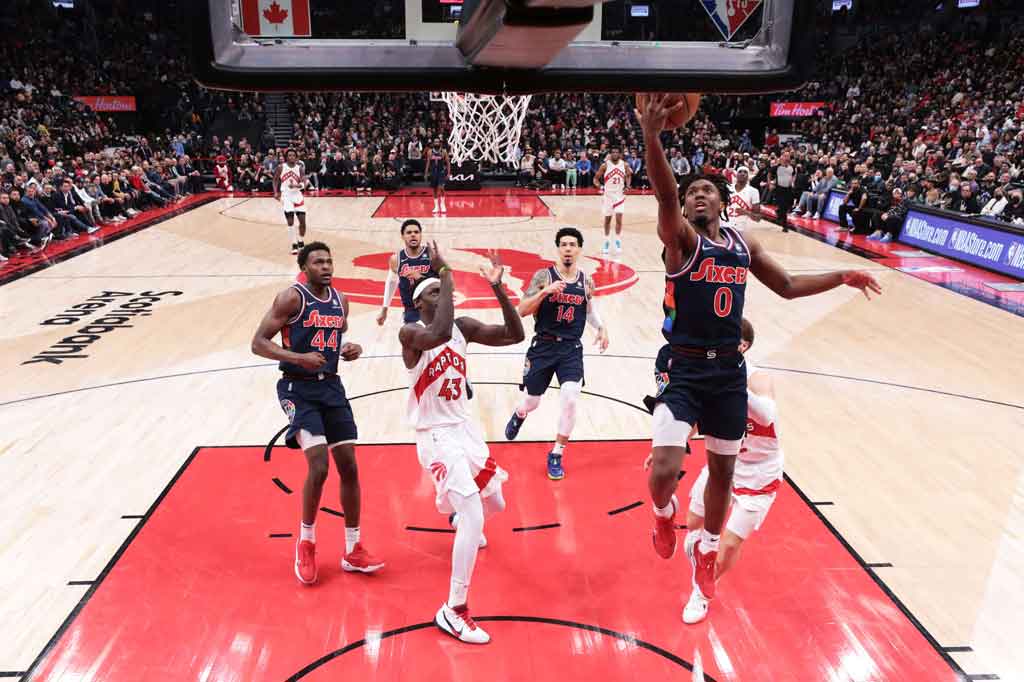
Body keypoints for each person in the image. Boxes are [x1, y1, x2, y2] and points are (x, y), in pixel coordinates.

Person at [636, 93, 881, 620]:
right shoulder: (679, 240)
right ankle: (662, 512)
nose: (698, 197)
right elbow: (661, 194)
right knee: (665, 466)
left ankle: (705, 551)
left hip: (727, 368)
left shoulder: (742, 246)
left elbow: (788, 286)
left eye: (707, 191)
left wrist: (842, 275)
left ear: (723, 202)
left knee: (724, 473)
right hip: (683, 364)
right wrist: (653, 136)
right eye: (691, 191)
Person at [400, 243, 524, 644]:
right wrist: (446, 270)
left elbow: (514, 334)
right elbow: (437, 333)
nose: (442, 294)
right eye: (433, 292)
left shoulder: (463, 327)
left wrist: (498, 288)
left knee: (497, 503)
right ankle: (453, 609)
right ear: (419, 303)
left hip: (464, 431)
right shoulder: (413, 333)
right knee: (475, 516)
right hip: (435, 436)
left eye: (443, 289)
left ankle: (448, 506)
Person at [251, 242, 384, 585]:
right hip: (298, 388)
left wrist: (349, 349)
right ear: (305, 267)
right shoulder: (290, 298)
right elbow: (258, 343)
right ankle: (306, 542)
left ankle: (353, 549)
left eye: (329, 261)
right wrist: (298, 357)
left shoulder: (342, 300)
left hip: (332, 387)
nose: (326, 266)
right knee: (320, 466)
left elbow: (334, 338)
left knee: (350, 466)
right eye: (318, 262)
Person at [644, 318, 781, 624]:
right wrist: (667, 447)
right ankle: (695, 553)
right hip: (726, 464)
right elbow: (692, 418)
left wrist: (732, 382)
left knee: (729, 542)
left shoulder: (758, 379)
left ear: (741, 346)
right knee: (693, 523)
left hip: (759, 474)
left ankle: (702, 593)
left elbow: (768, 414)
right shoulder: (707, 377)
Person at [504, 227, 609, 480]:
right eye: (563, 244)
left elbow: (590, 310)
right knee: (532, 401)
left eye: (573, 244)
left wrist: (602, 328)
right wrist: (544, 293)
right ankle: (520, 414)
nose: (568, 249)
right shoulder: (544, 276)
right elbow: (521, 310)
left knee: (570, 397)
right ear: (558, 249)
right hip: (543, 346)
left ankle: (557, 453)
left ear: (580, 249)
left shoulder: (586, 280)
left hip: (571, 348)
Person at [377, 219, 438, 326]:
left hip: (433, 310)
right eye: (409, 233)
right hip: (411, 312)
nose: (413, 235)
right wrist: (384, 309)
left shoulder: (432, 254)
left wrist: (420, 277)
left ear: (421, 235)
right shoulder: (396, 259)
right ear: (403, 236)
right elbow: (391, 282)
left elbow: (444, 283)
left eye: (416, 232)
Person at [593, 147, 633, 255]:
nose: (615, 154)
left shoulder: (624, 164)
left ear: (620, 154)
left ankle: (617, 241)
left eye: (617, 152)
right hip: (608, 196)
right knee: (608, 220)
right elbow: (595, 179)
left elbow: (629, 175)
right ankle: (606, 241)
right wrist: (600, 186)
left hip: (619, 195)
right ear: (610, 154)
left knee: (619, 219)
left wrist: (628, 186)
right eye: (613, 152)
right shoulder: (605, 165)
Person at [274, 149, 308, 255]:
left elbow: (304, 182)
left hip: (297, 195)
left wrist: (297, 186)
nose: (292, 157)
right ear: (286, 157)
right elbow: (275, 180)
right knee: (290, 221)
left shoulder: (300, 168)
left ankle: (301, 241)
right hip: (286, 196)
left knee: (302, 222)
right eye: (289, 155)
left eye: (294, 155)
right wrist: (276, 192)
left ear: (296, 157)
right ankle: (294, 244)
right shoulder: (281, 167)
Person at [425, 139, 451, 215]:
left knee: (441, 187)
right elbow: (428, 163)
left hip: (441, 172)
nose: (436, 143)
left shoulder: (443, 151)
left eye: (437, 142)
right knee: (435, 190)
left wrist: (448, 173)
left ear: (440, 143)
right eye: (435, 142)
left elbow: (448, 163)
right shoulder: (430, 151)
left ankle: (442, 204)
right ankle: (436, 206)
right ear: (433, 143)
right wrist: (426, 173)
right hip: (433, 172)